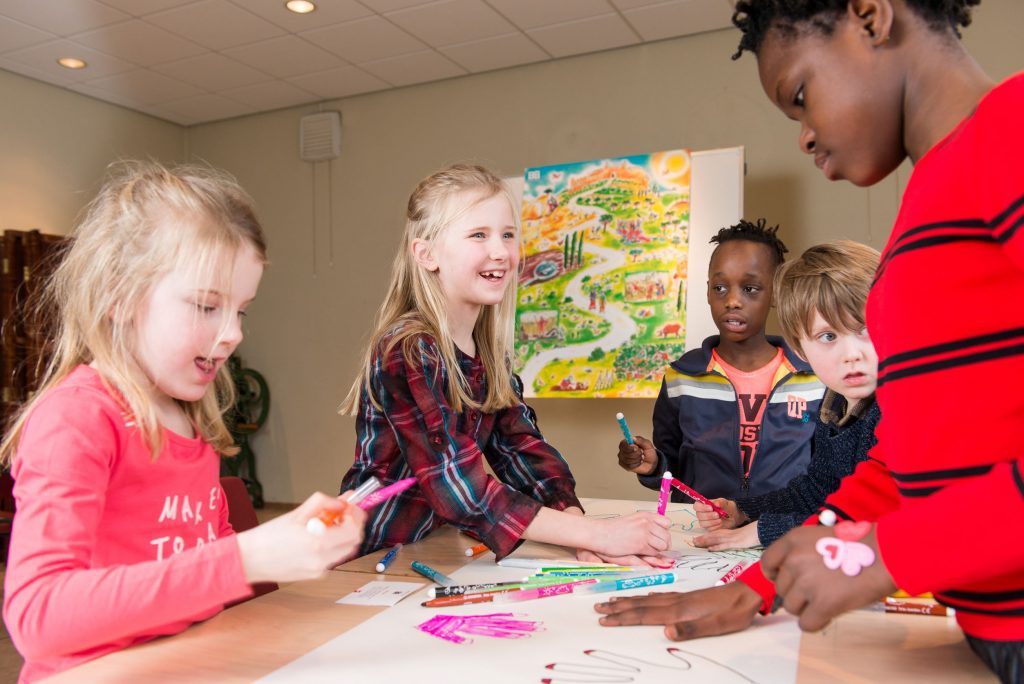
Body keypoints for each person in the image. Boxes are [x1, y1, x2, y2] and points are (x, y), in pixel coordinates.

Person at [598, 2, 1024, 680]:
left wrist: (888, 556)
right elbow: (902, 466)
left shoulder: (1011, 129)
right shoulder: (919, 222)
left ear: (869, 18)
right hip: (987, 634)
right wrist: (764, 587)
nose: (804, 137)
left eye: (800, 97)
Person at [0, 162, 366, 683]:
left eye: (242, 311)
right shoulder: (77, 418)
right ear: (120, 295)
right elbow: (38, 616)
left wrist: (286, 546)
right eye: (207, 306)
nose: (233, 333)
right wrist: (243, 559)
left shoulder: (189, 418)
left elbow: (203, 577)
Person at [339, 163, 671, 566]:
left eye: (508, 235)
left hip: (431, 545)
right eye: (478, 235)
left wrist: (579, 529)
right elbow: (459, 488)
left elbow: (520, 450)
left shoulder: (489, 353)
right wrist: (597, 532)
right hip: (374, 552)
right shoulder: (409, 349)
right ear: (426, 254)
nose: (500, 251)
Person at [689, 240, 881, 550]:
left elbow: (871, 515)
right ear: (801, 347)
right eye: (828, 336)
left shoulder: (897, 408)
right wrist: (744, 510)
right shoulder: (835, 406)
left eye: (865, 328)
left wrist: (761, 531)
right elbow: (816, 491)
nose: (852, 354)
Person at [616, 219, 824, 502]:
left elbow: (825, 471)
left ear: (775, 292)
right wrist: (652, 465)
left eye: (750, 289)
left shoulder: (813, 376)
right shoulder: (682, 378)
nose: (732, 301)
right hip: (702, 531)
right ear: (707, 291)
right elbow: (672, 470)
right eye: (720, 288)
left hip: (782, 528)